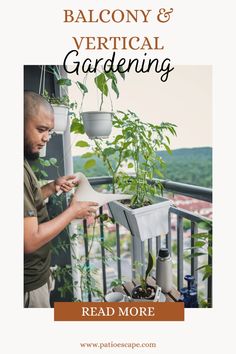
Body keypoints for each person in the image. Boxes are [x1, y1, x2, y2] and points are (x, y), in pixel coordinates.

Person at [24, 91, 98, 308]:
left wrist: (51, 187)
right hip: (28, 284)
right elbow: (30, 241)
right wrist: (72, 212)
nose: (47, 137)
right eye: (41, 129)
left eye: (49, 131)